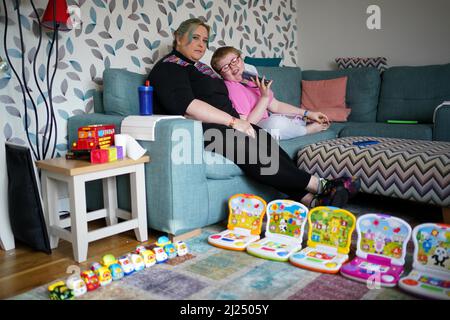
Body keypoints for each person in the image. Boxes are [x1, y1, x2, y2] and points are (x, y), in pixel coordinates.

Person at [147, 18, 360, 208]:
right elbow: (189, 106)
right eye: (195, 37)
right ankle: (323, 185)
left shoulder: (197, 68)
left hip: (225, 124)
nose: (201, 44)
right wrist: (233, 121)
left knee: (264, 141)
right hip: (203, 129)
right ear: (178, 37)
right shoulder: (169, 67)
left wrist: (242, 121)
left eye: (205, 40)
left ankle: (310, 200)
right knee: (250, 147)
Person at [211, 46, 330, 140]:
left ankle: (301, 122)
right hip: (255, 128)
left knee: (287, 117)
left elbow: (275, 105)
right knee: (276, 123)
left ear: (241, 59)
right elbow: (247, 123)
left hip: (268, 120)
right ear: (221, 74)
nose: (233, 67)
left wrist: (308, 113)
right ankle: (307, 130)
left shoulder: (251, 81)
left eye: (234, 60)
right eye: (225, 67)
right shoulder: (231, 88)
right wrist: (264, 97)